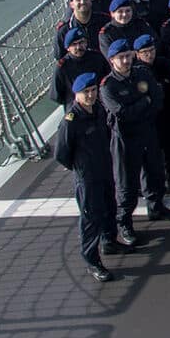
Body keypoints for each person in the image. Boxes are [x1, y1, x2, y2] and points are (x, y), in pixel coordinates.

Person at [99, 40, 169, 243]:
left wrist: (143, 105)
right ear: (112, 61)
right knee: (126, 183)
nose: (126, 60)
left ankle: (156, 207)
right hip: (125, 139)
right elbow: (122, 113)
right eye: (121, 57)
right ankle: (124, 224)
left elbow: (157, 98)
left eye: (128, 56)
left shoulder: (142, 73)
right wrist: (143, 102)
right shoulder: (108, 86)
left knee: (155, 170)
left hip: (147, 130)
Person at [53, 71, 120, 281]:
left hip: (104, 169)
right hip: (87, 177)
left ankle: (110, 241)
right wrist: (80, 167)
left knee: (109, 207)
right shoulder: (70, 121)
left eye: (92, 91)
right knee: (91, 218)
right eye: (85, 92)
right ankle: (92, 261)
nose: (90, 95)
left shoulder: (98, 109)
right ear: (76, 95)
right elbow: (62, 154)